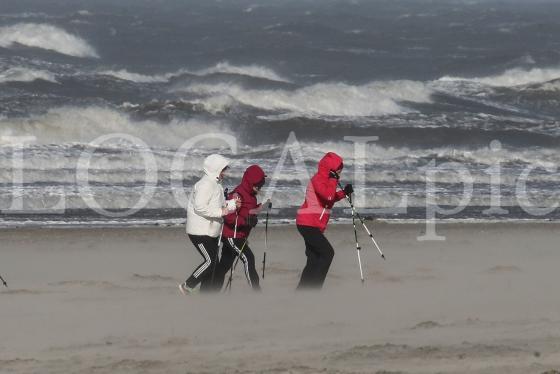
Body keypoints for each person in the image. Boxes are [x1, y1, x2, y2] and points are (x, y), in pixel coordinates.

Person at [179, 154, 240, 295]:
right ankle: (187, 286)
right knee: (210, 261)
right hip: (198, 231)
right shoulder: (205, 184)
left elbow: (219, 205)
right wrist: (221, 212)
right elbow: (199, 207)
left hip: (210, 231)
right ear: (215, 169)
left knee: (213, 264)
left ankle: (205, 294)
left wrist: (232, 205)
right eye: (223, 169)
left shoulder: (216, 184)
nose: (225, 172)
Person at [295, 152, 353, 290]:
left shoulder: (326, 180)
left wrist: (344, 192)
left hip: (312, 225)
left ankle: (301, 292)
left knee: (313, 259)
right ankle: (315, 290)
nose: (340, 172)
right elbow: (327, 196)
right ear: (331, 169)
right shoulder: (318, 179)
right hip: (307, 224)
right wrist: (333, 180)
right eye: (339, 169)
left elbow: (330, 197)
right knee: (328, 253)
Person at [214, 165, 268, 291]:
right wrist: (247, 221)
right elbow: (228, 217)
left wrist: (263, 206)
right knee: (249, 258)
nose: (259, 187)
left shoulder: (251, 195)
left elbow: (250, 211)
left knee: (224, 265)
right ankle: (256, 292)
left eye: (261, 184)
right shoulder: (237, 195)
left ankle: (210, 292)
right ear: (250, 182)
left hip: (240, 236)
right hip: (231, 236)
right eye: (257, 185)